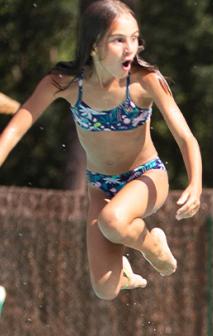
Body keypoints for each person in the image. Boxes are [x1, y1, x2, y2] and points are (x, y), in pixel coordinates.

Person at [0, 0, 202, 300]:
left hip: (146, 177)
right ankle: (124, 268)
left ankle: (154, 247)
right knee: (105, 289)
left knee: (113, 222)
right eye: (119, 40)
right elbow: (18, 126)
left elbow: (185, 137)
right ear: (94, 45)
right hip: (100, 185)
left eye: (134, 38)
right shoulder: (65, 83)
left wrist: (195, 183)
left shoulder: (145, 81)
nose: (130, 48)